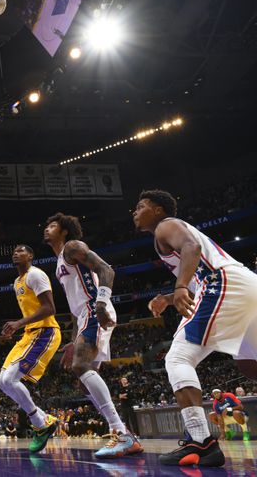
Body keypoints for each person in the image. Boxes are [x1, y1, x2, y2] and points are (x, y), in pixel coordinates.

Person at [137, 189, 257, 466]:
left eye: (141, 205)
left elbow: (193, 248)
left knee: (178, 358)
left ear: (157, 210)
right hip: (242, 284)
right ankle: (201, 441)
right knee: (249, 365)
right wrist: (169, 297)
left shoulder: (165, 226)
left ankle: (201, 442)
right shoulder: (169, 236)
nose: (135, 211)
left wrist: (179, 287)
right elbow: (195, 273)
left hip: (223, 284)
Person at [44, 213, 141, 458]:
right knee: (84, 383)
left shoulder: (73, 247)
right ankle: (123, 433)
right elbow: (75, 310)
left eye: (53, 225)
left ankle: (122, 433)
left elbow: (106, 270)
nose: (46, 229)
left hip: (95, 308)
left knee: (81, 366)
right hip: (85, 314)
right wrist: (74, 339)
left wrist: (100, 304)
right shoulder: (58, 261)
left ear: (65, 231)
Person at [0, 244, 61, 453]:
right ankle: (45, 420)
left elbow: (49, 308)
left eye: (21, 250)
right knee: (2, 382)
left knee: (9, 380)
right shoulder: (17, 282)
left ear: (31, 256)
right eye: (14, 250)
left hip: (45, 332)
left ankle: (40, 425)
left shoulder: (36, 275)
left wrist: (18, 323)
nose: (16, 253)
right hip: (30, 335)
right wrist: (20, 326)